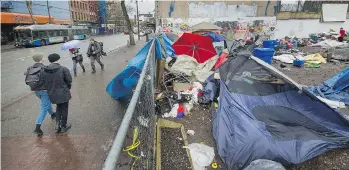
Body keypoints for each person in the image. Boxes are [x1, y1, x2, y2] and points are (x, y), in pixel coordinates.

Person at [25, 53, 55, 136]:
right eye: (43, 57)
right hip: (44, 90)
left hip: (36, 90)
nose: (44, 58)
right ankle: (37, 127)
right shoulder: (44, 68)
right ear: (41, 59)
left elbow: (26, 75)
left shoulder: (30, 68)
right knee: (44, 108)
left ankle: (52, 114)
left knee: (46, 103)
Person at [43, 53, 72, 133]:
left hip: (52, 93)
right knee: (65, 109)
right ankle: (63, 126)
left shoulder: (44, 70)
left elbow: (44, 83)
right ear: (58, 59)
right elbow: (69, 81)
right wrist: (67, 88)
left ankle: (57, 125)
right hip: (63, 92)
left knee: (58, 107)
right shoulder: (63, 69)